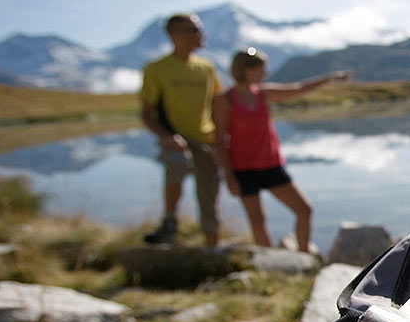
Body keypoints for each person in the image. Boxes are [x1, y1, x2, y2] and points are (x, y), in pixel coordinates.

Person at [213, 47, 351, 252]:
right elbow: (219, 139)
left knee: (304, 210)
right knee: (258, 221)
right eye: (261, 69)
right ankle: (270, 263)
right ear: (246, 70)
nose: (265, 73)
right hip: (243, 169)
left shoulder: (263, 93)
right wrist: (228, 175)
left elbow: (299, 88)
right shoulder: (224, 100)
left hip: (271, 164)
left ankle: (303, 256)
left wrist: (329, 78)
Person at [139, 13, 222, 247]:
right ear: (175, 34)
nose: (200, 35)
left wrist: (220, 140)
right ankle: (170, 223)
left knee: (209, 192)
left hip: (207, 139)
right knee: (176, 165)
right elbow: (146, 112)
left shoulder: (206, 68)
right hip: (176, 139)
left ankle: (212, 245)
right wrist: (166, 137)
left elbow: (217, 105)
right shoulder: (157, 69)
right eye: (194, 30)